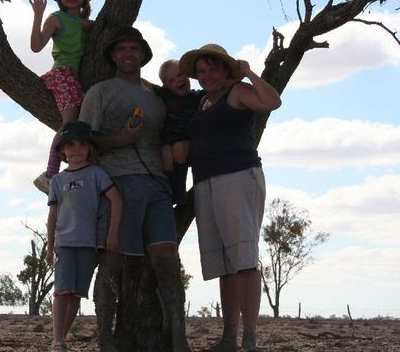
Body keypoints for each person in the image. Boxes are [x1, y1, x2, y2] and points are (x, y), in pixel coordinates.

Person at [79, 26, 191, 352]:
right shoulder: (100, 92)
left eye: (134, 49)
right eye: (121, 50)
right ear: (113, 56)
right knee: (112, 262)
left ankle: (178, 338)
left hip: (158, 185)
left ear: (143, 54)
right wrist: (121, 140)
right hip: (119, 184)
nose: (128, 54)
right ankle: (106, 340)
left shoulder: (157, 96)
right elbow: (84, 140)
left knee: (168, 260)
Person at [179, 44, 281, 352]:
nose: (207, 76)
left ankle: (249, 339)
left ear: (226, 70)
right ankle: (228, 338)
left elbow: (272, 101)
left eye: (213, 69)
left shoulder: (238, 91)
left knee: (244, 262)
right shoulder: (200, 103)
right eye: (201, 71)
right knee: (225, 264)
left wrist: (247, 71)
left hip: (238, 177)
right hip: (205, 184)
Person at [46, 121, 122, 352]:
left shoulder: (97, 173)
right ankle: (58, 341)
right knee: (61, 292)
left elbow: (117, 201)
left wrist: (112, 234)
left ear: (90, 148)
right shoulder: (57, 181)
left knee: (76, 295)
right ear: (62, 151)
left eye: (81, 145)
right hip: (65, 244)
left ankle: (61, 339)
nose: (75, 149)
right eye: (70, 145)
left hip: (89, 244)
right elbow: (53, 215)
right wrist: (50, 248)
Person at [30, 0, 94, 193]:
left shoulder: (83, 22)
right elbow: (36, 46)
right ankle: (49, 173)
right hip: (63, 74)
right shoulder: (56, 19)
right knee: (69, 125)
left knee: (79, 121)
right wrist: (39, 15)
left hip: (76, 77)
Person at [154, 59, 205, 205]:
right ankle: (169, 190)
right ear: (166, 86)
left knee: (178, 150)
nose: (178, 80)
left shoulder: (199, 96)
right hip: (168, 139)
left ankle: (179, 192)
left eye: (181, 74)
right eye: (172, 80)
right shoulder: (166, 95)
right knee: (166, 153)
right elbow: (147, 85)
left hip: (187, 140)